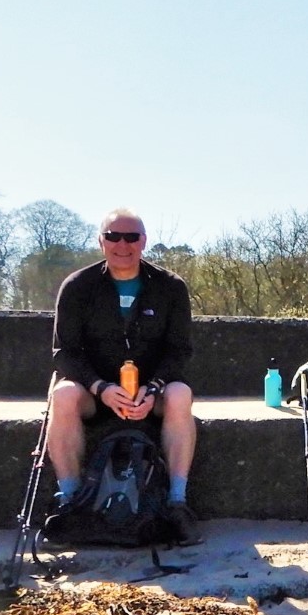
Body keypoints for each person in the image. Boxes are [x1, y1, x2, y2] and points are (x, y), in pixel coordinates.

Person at [48, 208, 199, 542]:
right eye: (113, 236)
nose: (122, 245)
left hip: (152, 391)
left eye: (131, 237)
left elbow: (179, 351)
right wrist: (100, 387)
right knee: (63, 395)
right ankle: (70, 501)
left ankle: (177, 502)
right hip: (96, 392)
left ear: (143, 241)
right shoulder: (77, 286)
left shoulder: (171, 287)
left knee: (180, 395)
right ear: (100, 241)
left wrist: (153, 387)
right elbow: (64, 353)